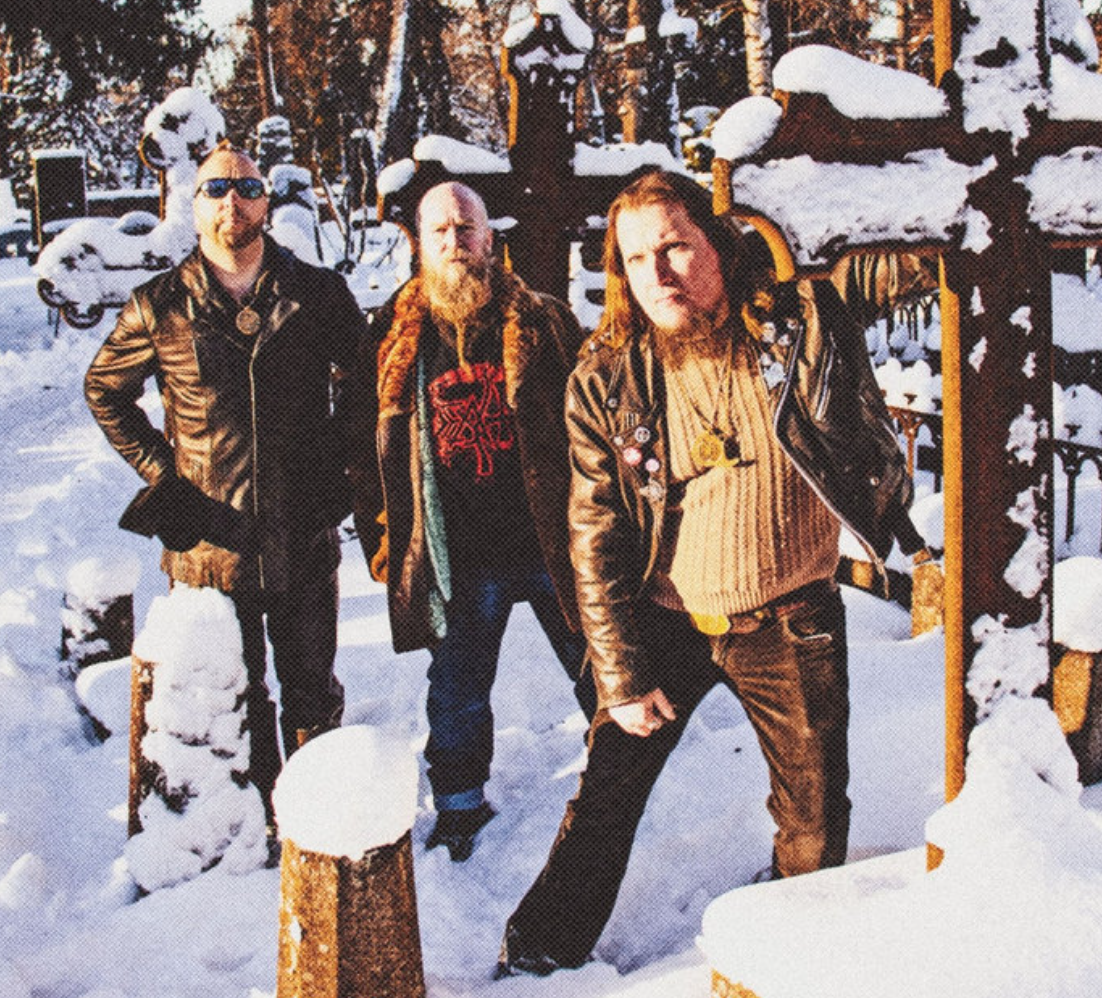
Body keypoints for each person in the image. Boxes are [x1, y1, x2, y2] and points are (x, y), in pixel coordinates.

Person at [497, 170, 928, 975]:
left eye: (674, 247)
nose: (657, 273)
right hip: (666, 620)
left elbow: (893, 259)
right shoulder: (606, 377)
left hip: (791, 618)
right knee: (606, 798)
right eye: (635, 259)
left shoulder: (798, 321)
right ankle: (537, 954)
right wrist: (620, 676)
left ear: (720, 245)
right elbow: (594, 533)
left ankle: (790, 959)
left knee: (812, 814)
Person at [84, 141, 363, 845]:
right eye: (215, 188)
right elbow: (105, 391)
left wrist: (339, 474)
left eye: (247, 186)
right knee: (233, 694)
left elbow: (366, 388)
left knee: (312, 691)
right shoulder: (159, 305)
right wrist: (165, 475)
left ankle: (317, 829)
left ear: (265, 201)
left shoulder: (317, 294)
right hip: (210, 542)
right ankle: (253, 830)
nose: (232, 200)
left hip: (303, 533)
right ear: (194, 204)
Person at [348, 181, 597, 862]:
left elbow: (592, 423)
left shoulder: (543, 321)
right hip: (456, 549)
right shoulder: (392, 339)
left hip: (548, 539)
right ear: (420, 245)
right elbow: (361, 452)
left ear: (490, 238)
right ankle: (459, 805)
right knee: (457, 688)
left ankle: (624, 777)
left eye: (467, 228)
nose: (455, 242)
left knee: (598, 665)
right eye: (441, 231)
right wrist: (383, 541)